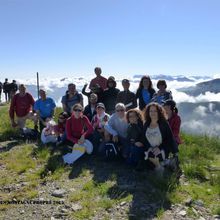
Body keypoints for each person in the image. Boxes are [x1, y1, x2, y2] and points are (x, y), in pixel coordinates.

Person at [142, 103, 178, 171]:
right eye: (151, 111)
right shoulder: (146, 124)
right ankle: (166, 163)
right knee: (149, 161)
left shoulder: (163, 124)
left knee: (152, 158)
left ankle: (160, 168)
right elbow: (144, 139)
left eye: (155, 111)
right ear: (148, 112)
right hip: (150, 149)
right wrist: (149, 147)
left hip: (162, 149)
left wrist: (159, 148)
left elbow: (169, 139)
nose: (153, 113)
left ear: (159, 112)